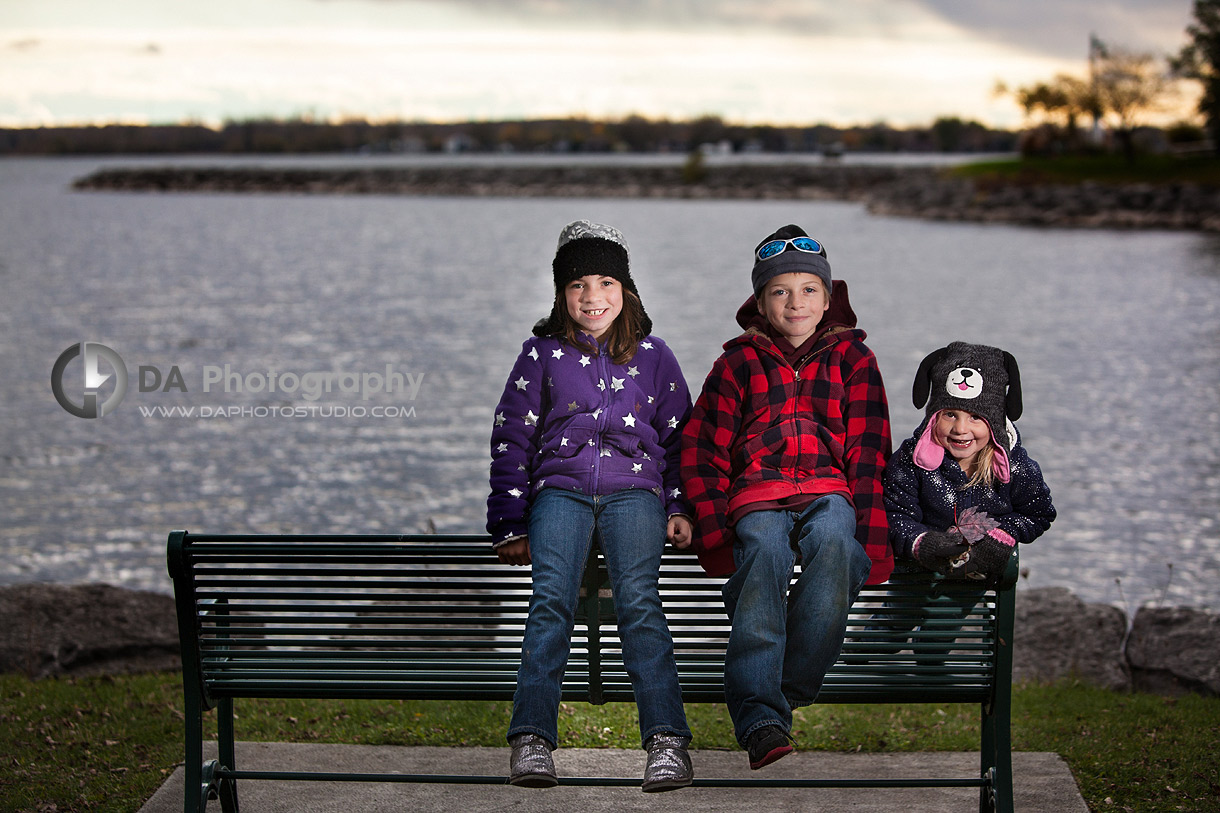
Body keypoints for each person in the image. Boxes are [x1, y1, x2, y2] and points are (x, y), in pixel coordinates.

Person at [487, 220, 695, 792]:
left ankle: (667, 742)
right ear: (561, 294)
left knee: (640, 605)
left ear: (625, 289)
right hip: (561, 493)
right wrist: (509, 520)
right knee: (551, 601)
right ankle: (531, 739)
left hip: (635, 494)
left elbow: (680, 440)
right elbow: (512, 437)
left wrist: (680, 506)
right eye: (578, 284)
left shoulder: (655, 357)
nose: (592, 296)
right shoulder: (541, 355)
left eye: (605, 281)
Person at [680, 224, 893, 770]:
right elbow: (704, 449)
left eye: (808, 290)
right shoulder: (736, 364)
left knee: (838, 546)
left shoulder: (855, 362)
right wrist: (712, 527)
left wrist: (872, 540)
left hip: (829, 488)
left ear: (828, 298)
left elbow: (869, 453)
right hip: (757, 493)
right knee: (766, 553)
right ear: (759, 300)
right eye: (779, 291)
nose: (794, 302)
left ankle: (782, 687)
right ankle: (759, 719)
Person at [884, 341, 1055, 589]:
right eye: (950, 414)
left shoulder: (1014, 467)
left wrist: (1000, 537)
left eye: (976, 417)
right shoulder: (911, 462)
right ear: (934, 416)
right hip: (916, 582)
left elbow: (1038, 513)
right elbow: (894, 515)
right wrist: (923, 543)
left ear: (995, 423)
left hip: (979, 590)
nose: (961, 429)